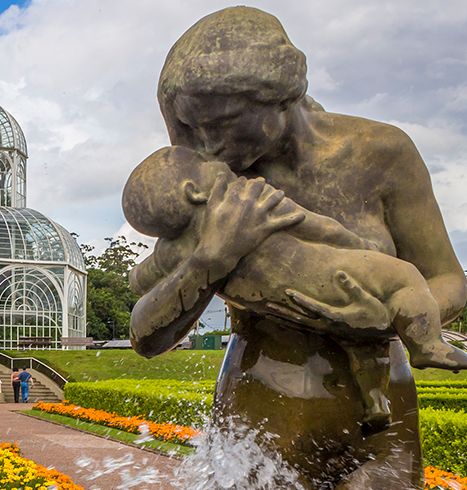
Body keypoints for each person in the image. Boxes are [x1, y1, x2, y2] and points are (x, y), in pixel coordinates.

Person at [128, 7, 467, 490]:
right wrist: (211, 258)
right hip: (262, 419)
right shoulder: (213, 191)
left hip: (379, 416)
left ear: (279, 96)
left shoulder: (382, 152)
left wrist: (380, 317)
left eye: (218, 124)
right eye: (189, 128)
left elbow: (448, 279)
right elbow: (146, 333)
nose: (205, 147)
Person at [124, 145, 467, 429]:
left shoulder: (382, 149)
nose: (215, 158)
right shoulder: (254, 197)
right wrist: (212, 258)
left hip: (331, 321)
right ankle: (422, 348)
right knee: (404, 280)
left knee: (365, 338)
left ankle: (379, 397)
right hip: (277, 375)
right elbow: (318, 227)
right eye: (205, 164)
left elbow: (144, 275)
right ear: (194, 191)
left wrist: (381, 324)